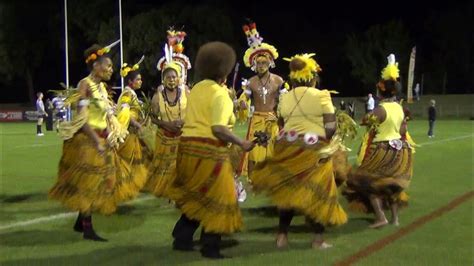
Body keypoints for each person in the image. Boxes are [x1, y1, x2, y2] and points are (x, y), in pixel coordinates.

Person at [167, 42, 255, 259]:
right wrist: (241, 143)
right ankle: (210, 246)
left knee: (197, 194)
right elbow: (218, 128)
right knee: (220, 197)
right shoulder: (220, 93)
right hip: (209, 150)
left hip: (187, 148)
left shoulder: (196, 89)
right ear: (223, 72)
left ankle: (182, 237)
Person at [252, 53, 347, 250]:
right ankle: (318, 240)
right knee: (319, 192)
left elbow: (281, 124)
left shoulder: (285, 98)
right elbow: (330, 126)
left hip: (287, 146)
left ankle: (282, 237)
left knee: (289, 191)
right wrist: (329, 143)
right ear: (312, 77)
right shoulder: (322, 95)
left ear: (293, 77)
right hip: (313, 149)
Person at [49, 40, 127, 241]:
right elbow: (82, 119)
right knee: (89, 184)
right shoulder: (85, 85)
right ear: (95, 65)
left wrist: (111, 135)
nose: (111, 69)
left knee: (100, 182)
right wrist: (97, 141)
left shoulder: (101, 88)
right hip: (87, 140)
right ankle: (87, 229)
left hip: (101, 138)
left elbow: (107, 115)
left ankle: (79, 221)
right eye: (108, 65)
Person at [344, 54, 413, 229]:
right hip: (399, 150)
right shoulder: (399, 107)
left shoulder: (381, 109)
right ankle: (395, 219)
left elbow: (365, 120)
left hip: (381, 150)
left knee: (368, 183)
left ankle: (381, 217)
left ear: (381, 92)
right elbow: (403, 130)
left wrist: (368, 117)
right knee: (392, 186)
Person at [145, 29, 191, 198]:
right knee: (164, 167)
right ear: (163, 79)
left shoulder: (186, 93)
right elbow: (152, 116)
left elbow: (194, 111)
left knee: (182, 165)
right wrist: (166, 124)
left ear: (179, 78)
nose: (172, 80)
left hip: (182, 136)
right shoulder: (158, 97)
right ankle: (167, 190)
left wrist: (184, 123)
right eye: (169, 77)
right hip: (164, 136)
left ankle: (181, 189)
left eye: (174, 77)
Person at [238, 21, 284, 178]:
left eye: (264, 62)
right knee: (253, 153)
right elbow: (245, 97)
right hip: (257, 119)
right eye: (258, 63)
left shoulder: (278, 80)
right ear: (254, 65)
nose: (262, 65)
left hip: (272, 119)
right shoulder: (251, 82)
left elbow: (284, 100)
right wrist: (242, 103)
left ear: (270, 63)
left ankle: (272, 179)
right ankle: (252, 180)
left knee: (272, 151)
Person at [115, 56, 149, 202]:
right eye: (138, 79)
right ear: (130, 81)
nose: (140, 81)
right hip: (128, 134)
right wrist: (138, 124)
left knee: (136, 162)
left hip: (133, 134)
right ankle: (122, 189)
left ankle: (130, 187)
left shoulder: (131, 93)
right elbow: (125, 113)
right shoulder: (128, 94)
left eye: (141, 79)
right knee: (128, 163)